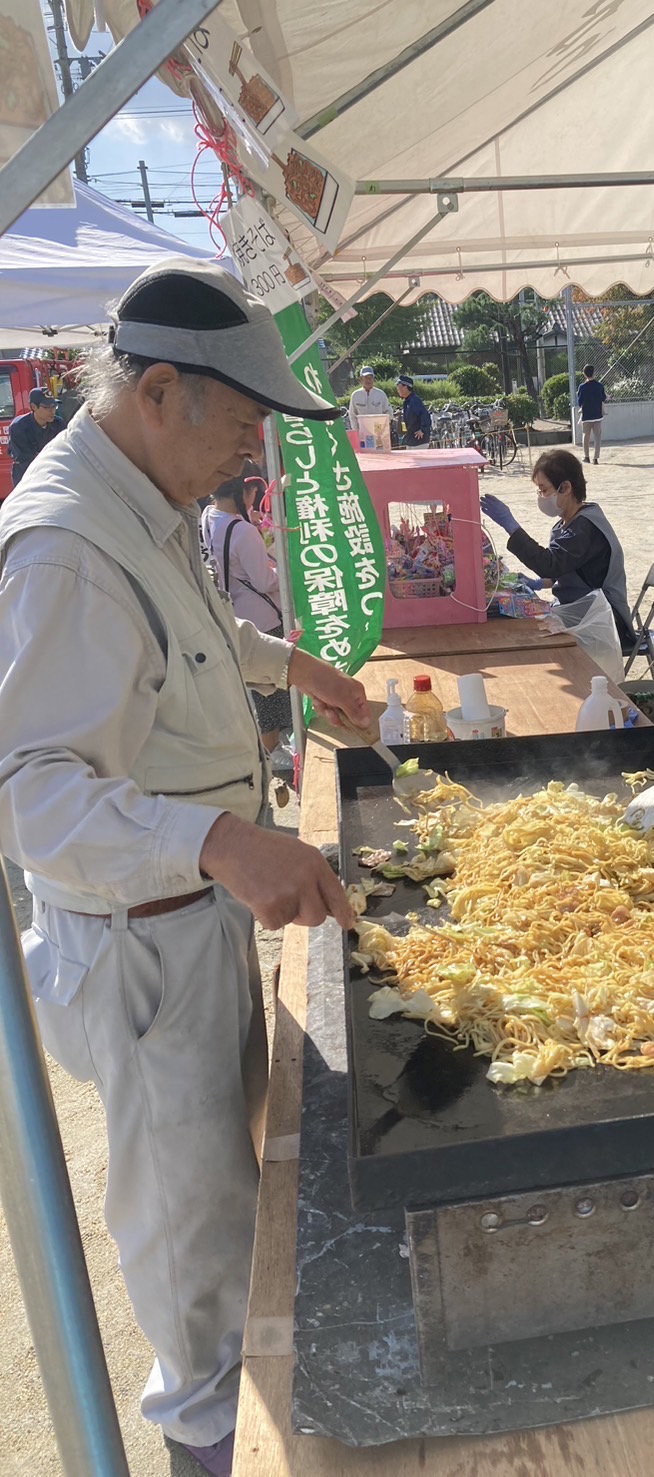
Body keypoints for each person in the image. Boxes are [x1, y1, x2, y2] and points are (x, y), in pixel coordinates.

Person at [0, 257, 376, 1477]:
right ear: (161, 390)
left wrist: (291, 667)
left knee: (230, 1186)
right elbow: (27, 791)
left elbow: (190, 640)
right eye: (246, 426)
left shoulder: (138, 498)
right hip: (139, 940)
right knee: (194, 1240)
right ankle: (214, 1448)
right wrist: (216, 838)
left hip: (185, 917)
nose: (251, 458)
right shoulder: (62, 546)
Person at [480, 448, 635, 651]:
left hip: (603, 620)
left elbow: (551, 565)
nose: (541, 497)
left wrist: (512, 526)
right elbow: (566, 570)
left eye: (544, 490)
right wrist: (536, 583)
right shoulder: (567, 523)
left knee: (531, 640)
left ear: (566, 488)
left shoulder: (585, 527)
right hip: (582, 609)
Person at [200, 471, 294, 770]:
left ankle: (272, 746)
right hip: (263, 616)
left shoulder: (207, 516)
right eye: (253, 494)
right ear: (243, 494)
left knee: (258, 687)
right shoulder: (242, 531)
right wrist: (287, 568)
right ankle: (271, 751)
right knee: (273, 685)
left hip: (234, 610)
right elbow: (265, 580)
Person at [8, 386, 65, 485]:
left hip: (53, 474)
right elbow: (25, 458)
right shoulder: (19, 427)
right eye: (47, 407)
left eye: (54, 406)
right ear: (34, 407)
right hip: (26, 476)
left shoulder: (58, 424)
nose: (52, 411)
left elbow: (65, 449)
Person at [577, 363, 607, 463]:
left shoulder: (582, 387)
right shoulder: (599, 386)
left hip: (586, 416)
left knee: (586, 436)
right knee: (597, 437)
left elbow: (579, 402)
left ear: (584, 374)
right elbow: (603, 398)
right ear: (594, 373)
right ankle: (595, 458)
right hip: (597, 415)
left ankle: (586, 457)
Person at [396, 374, 431, 447]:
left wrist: (423, 430)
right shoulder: (408, 401)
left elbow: (425, 415)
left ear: (405, 387)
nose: (397, 389)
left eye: (398, 386)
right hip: (411, 440)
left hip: (419, 441)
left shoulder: (414, 401)